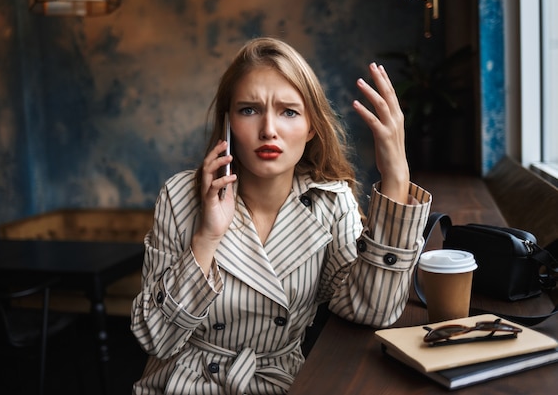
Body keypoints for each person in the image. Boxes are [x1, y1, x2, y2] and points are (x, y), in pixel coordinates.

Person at [131, 37, 432, 395]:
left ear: (311, 127)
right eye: (249, 110)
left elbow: (372, 310)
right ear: (227, 124)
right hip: (182, 384)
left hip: (281, 384)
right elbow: (154, 338)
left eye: (289, 112)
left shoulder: (330, 202)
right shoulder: (180, 196)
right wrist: (207, 237)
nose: (268, 129)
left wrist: (397, 179)